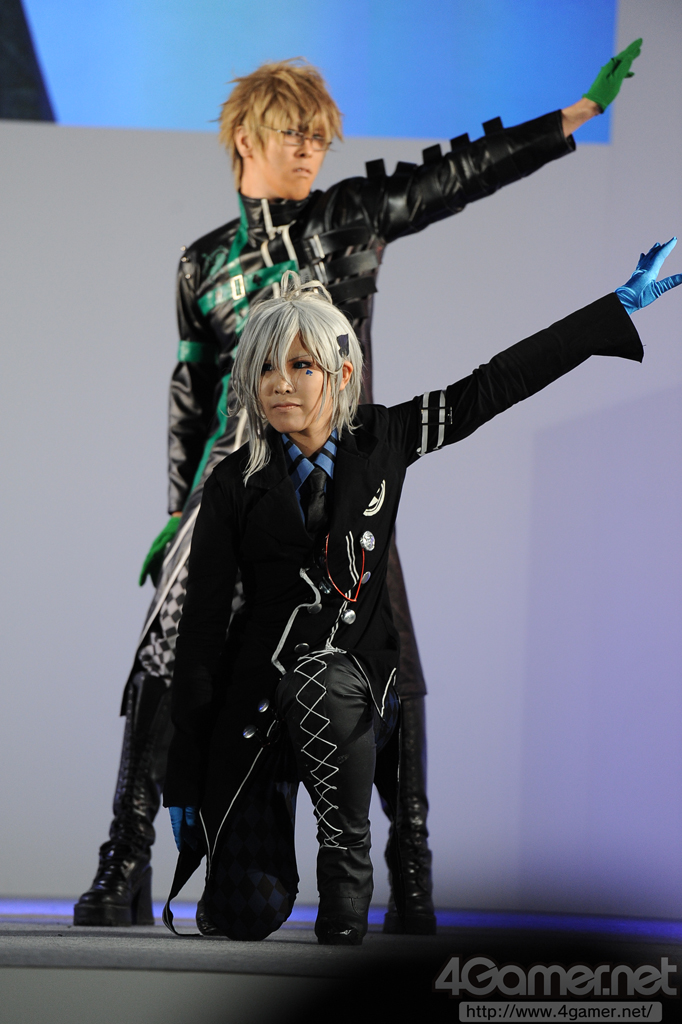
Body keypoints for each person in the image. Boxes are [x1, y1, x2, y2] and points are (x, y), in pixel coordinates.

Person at [74, 43, 643, 932]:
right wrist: (179, 509)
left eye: (319, 137)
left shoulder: (348, 216)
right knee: (166, 653)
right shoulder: (201, 265)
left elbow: (453, 176)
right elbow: (191, 394)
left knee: (392, 660)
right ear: (245, 139)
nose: (310, 150)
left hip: (344, 481)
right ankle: (126, 858)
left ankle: (409, 867)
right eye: (292, 135)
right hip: (234, 488)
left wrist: (572, 119)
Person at [161, 241, 682, 945]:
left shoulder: (383, 438)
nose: (280, 383)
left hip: (351, 692)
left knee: (322, 683)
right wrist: (185, 776)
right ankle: (253, 853)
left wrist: (614, 309)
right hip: (256, 707)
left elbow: (494, 384)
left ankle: (346, 867)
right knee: (245, 913)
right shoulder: (232, 482)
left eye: (300, 365)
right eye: (265, 368)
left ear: (342, 373)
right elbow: (199, 634)